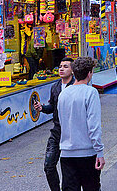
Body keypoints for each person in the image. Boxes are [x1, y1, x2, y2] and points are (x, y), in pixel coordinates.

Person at [58, 57, 105, 190]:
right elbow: (94, 126)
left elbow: (62, 121)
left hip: (67, 152)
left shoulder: (64, 93)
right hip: (86, 153)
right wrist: (99, 151)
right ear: (89, 73)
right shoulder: (90, 92)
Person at [33, 58, 75, 191]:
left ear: (72, 70)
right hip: (57, 131)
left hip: (72, 132)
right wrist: (42, 108)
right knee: (49, 166)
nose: (61, 69)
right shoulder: (55, 86)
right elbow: (53, 107)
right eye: (60, 66)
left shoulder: (76, 87)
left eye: (65, 66)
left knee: (69, 169)